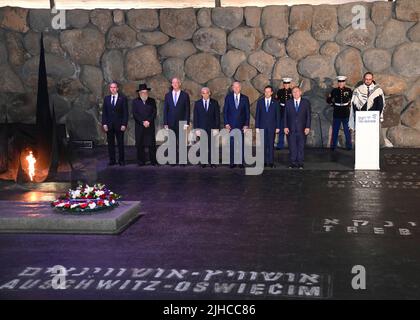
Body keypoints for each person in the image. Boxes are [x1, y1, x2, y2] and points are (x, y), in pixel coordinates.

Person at [163, 77, 191, 165]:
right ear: (171, 84)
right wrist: (165, 123)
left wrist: (186, 122)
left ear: (179, 84)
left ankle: (182, 161)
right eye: (173, 83)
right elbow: (165, 110)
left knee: (182, 142)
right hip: (171, 122)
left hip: (182, 122)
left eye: (176, 82)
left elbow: (187, 109)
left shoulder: (185, 95)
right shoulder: (167, 95)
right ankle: (173, 161)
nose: (175, 84)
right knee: (172, 142)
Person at [223, 81, 250, 168]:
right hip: (231, 125)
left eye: (238, 87)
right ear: (232, 88)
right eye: (234, 87)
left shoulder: (245, 98)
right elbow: (225, 111)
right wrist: (226, 123)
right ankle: (232, 162)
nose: (236, 88)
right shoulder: (228, 97)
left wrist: (246, 124)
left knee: (241, 144)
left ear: (240, 87)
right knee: (231, 144)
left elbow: (247, 113)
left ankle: (240, 162)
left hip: (241, 126)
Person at [102, 82, 128, 166]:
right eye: (111, 87)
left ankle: (121, 160)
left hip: (119, 125)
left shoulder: (122, 98)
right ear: (109, 89)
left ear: (117, 88)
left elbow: (125, 113)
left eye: (114, 87)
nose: (112, 89)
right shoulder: (106, 99)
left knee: (120, 143)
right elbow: (104, 112)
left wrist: (124, 124)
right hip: (109, 125)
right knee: (110, 144)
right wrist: (104, 124)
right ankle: (112, 160)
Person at [284, 87, 311, 169]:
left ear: (300, 92)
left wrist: (307, 127)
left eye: (297, 92)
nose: (295, 93)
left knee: (301, 146)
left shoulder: (305, 103)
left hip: (302, 129)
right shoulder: (288, 103)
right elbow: (285, 116)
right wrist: (285, 127)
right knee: (292, 146)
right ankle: (293, 162)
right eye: (293, 92)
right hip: (291, 129)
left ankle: (300, 163)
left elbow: (308, 116)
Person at [193, 87, 220, 168]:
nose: (205, 94)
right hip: (201, 128)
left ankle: (212, 163)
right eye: (203, 93)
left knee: (212, 146)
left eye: (206, 92)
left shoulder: (214, 103)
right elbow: (196, 117)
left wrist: (216, 128)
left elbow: (217, 116)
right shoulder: (198, 103)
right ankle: (203, 162)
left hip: (212, 128)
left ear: (209, 93)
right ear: (201, 94)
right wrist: (196, 129)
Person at [132, 83, 157, 166]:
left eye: (146, 92)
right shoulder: (135, 102)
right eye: (142, 92)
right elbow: (135, 114)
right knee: (140, 144)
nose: (144, 94)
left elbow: (154, 113)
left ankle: (153, 161)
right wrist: (143, 122)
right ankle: (141, 161)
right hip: (140, 126)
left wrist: (148, 121)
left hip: (150, 126)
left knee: (152, 145)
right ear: (139, 93)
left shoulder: (152, 101)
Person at [255, 85, 281, 168]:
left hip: (272, 127)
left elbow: (278, 115)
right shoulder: (260, 102)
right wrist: (257, 127)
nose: (267, 93)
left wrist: (277, 127)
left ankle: (271, 162)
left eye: (269, 91)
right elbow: (257, 115)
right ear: (264, 92)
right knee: (262, 145)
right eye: (266, 91)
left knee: (270, 145)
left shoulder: (276, 102)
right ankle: (264, 162)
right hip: (262, 127)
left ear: (272, 93)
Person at [327, 76, 353, 151]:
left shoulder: (348, 90)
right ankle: (333, 146)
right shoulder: (334, 90)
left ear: (344, 82)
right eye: (339, 82)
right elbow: (329, 99)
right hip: (337, 112)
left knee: (347, 130)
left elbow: (352, 99)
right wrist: (333, 104)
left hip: (345, 112)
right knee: (335, 130)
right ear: (338, 83)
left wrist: (349, 104)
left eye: (342, 82)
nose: (341, 83)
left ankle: (349, 146)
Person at [276, 78, 293, 150]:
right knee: (281, 128)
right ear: (283, 84)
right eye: (285, 83)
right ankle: (280, 145)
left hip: (290, 112)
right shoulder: (280, 91)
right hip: (282, 111)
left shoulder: (292, 91)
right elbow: (277, 100)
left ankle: (292, 145)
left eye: (287, 83)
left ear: (289, 84)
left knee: (291, 130)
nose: (286, 85)